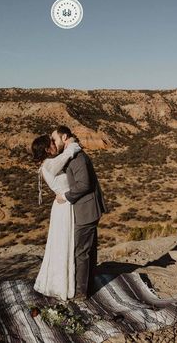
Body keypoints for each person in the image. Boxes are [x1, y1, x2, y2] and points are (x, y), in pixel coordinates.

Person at [51, 126, 107, 301]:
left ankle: (81, 292)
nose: (53, 142)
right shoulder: (72, 154)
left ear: (64, 136)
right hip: (86, 208)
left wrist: (65, 197)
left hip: (86, 210)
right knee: (87, 249)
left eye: (54, 139)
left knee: (81, 251)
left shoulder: (77, 157)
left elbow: (84, 185)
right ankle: (87, 285)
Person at [31, 134, 81, 301]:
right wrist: (72, 143)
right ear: (47, 149)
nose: (54, 144)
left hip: (62, 206)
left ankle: (62, 281)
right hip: (64, 208)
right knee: (64, 244)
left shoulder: (47, 165)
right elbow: (69, 153)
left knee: (60, 244)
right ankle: (62, 285)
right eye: (52, 142)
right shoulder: (50, 164)